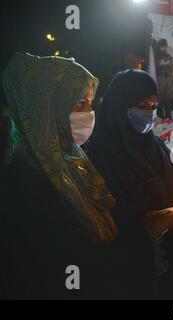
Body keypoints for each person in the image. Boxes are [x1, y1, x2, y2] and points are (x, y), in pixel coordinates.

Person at [85, 70, 173, 300]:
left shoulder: (156, 148)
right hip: (131, 274)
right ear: (119, 106)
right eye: (142, 106)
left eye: (154, 107)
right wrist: (166, 219)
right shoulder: (99, 155)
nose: (149, 114)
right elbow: (108, 226)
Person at [0, 53, 118, 299]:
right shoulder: (20, 181)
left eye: (90, 103)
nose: (89, 113)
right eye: (79, 103)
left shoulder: (73, 162)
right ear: (48, 106)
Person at [156, 39, 173, 119]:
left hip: (168, 78)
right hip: (160, 78)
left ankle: (168, 115)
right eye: (162, 46)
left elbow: (172, 65)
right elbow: (157, 65)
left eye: (165, 46)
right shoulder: (157, 56)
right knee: (160, 98)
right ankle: (160, 115)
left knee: (168, 98)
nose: (164, 48)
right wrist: (165, 64)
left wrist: (171, 64)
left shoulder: (168, 56)